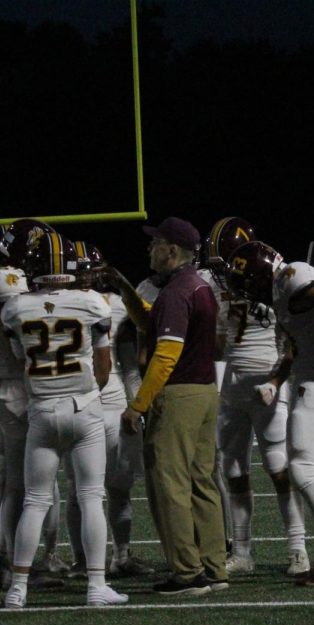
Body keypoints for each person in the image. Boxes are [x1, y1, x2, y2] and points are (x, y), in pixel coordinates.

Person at [0, 227, 128, 608]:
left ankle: (17, 589)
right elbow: (104, 364)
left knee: (36, 501)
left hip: (41, 409)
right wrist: (88, 393)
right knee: (90, 497)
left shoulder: (15, 308)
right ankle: (96, 586)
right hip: (83, 405)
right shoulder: (92, 303)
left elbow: (20, 357)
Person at [225, 240, 314, 586]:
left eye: (248, 282)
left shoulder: (292, 279)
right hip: (308, 378)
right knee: (300, 467)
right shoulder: (283, 287)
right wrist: (275, 381)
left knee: (302, 468)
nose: (247, 291)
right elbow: (296, 349)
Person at [120, 216, 228, 597]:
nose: (150, 249)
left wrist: (138, 404)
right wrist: (125, 292)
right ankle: (214, 566)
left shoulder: (177, 291)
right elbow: (153, 321)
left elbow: (165, 353)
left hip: (179, 394)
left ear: (172, 250)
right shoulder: (195, 286)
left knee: (170, 485)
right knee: (201, 483)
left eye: (155, 244)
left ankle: (187, 573)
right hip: (204, 392)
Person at [204, 218, 309, 578]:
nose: (224, 274)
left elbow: (295, 342)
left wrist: (277, 382)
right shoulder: (222, 289)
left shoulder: (279, 283)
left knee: (279, 468)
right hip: (233, 390)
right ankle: (243, 551)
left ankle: (298, 548)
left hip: (269, 388)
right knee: (233, 470)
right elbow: (221, 345)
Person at [0, 220, 65, 591]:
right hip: (16, 389)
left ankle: (1, 559)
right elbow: (28, 322)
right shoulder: (5, 282)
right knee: (20, 485)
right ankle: (15, 564)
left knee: (7, 480)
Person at [61, 242, 154, 578]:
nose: (87, 276)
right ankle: (82, 559)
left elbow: (134, 351)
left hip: (109, 402)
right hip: (82, 400)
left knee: (117, 485)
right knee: (80, 488)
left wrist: (136, 401)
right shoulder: (66, 304)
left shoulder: (113, 304)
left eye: (91, 269)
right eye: (81, 269)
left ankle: (120, 555)